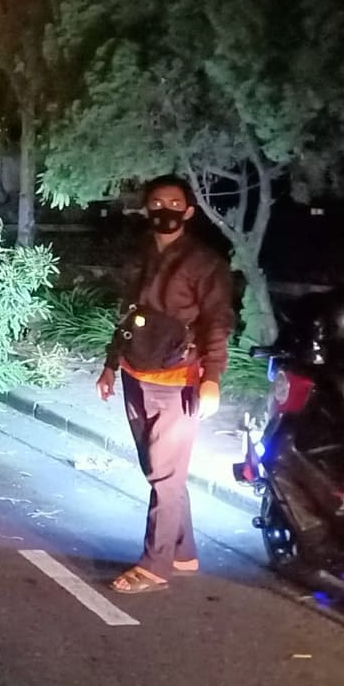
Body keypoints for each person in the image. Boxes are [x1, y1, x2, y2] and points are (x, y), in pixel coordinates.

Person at [97, 174, 235, 594]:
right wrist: (111, 364)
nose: (165, 210)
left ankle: (155, 565)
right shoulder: (142, 254)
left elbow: (218, 322)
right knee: (159, 470)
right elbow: (128, 315)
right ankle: (183, 551)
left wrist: (212, 378)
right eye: (157, 203)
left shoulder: (205, 262)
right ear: (147, 209)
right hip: (135, 373)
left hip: (179, 379)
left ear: (188, 211)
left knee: (164, 474)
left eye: (175, 204)